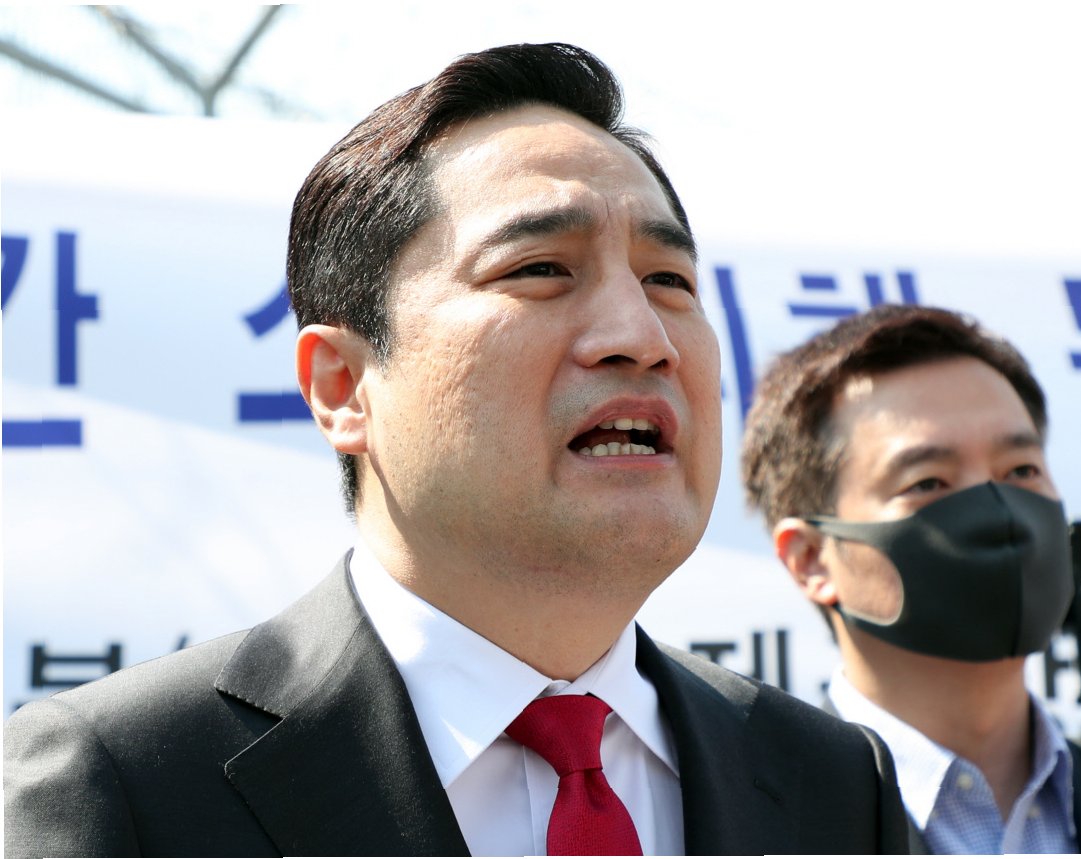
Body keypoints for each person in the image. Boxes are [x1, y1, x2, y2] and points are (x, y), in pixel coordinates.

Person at [2, 43, 909, 857]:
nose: (642, 336)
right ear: (342, 386)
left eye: (669, 280)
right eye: (540, 269)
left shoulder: (833, 781)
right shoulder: (124, 781)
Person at [741, 303, 1081, 853]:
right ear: (812, 558)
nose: (999, 511)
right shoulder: (746, 830)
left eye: (1021, 471)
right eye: (928, 482)